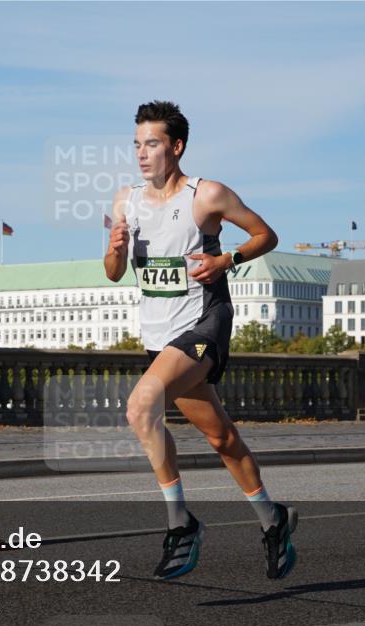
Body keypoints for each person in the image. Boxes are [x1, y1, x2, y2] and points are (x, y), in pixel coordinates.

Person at [103, 100, 297, 581]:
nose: (142, 154)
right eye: (137, 144)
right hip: (159, 335)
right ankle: (275, 522)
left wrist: (226, 260)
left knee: (139, 406)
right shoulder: (124, 201)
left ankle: (180, 523)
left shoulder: (205, 195)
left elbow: (265, 235)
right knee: (221, 437)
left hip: (205, 324)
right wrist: (115, 250)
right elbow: (112, 274)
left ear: (176, 146)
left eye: (152, 144)